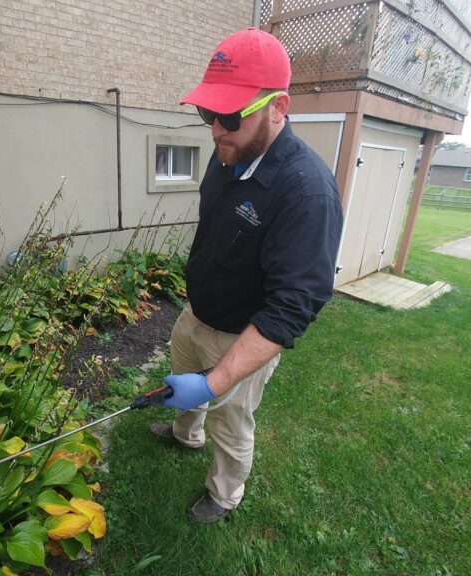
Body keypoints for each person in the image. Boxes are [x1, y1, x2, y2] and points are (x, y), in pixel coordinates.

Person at [151, 28, 344, 523]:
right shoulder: (227, 155)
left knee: (230, 422)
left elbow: (291, 309)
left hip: (241, 336)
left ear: (278, 107)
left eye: (231, 116)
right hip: (196, 315)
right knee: (184, 390)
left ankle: (223, 493)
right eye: (208, 113)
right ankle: (183, 433)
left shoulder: (306, 193)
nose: (216, 129)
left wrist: (217, 379)